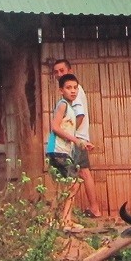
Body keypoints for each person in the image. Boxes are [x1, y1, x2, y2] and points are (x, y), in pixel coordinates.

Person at [52, 59, 103, 218]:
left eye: (62, 70)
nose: (59, 74)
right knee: (82, 174)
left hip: (75, 139)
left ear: (70, 70)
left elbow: (79, 115)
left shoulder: (75, 91)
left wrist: (72, 137)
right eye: (56, 72)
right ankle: (88, 210)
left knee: (77, 177)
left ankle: (69, 214)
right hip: (77, 138)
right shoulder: (69, 94)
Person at [46, 73, 94, 232]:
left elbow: (68, 132)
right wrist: (76, 140)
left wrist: (83, 143)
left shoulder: (71, 108)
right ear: (61, 90)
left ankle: (63, 219)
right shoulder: (63, 105)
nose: (72, 91)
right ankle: (62, 220)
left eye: (75, 88)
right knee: (72, 185)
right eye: (68, 88)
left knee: (68, 186)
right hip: (57, 151)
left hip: (64, 151)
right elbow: (55, 127)